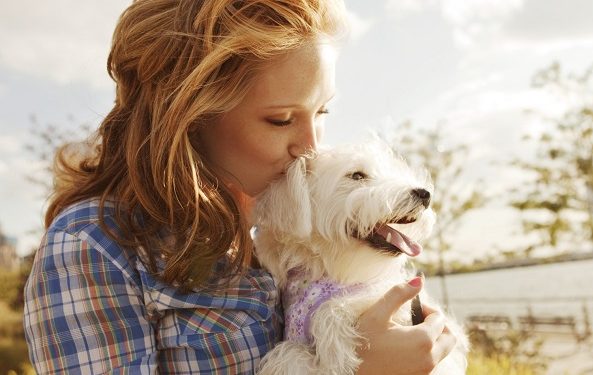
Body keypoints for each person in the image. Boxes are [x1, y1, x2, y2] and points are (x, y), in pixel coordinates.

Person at [23, 0, 457, 373]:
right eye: (281, 119)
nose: (310, 146)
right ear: (189, 118)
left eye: (322, 111)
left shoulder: (277, 238)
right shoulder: (92, 246)